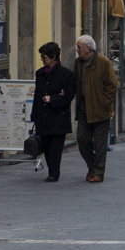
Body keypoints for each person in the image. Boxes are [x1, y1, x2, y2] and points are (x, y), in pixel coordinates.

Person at [74, 35, 119, 183]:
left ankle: (98, 173)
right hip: (84, 107)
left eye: (79, 47)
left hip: (100, 109)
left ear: (88, 48)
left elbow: (112, 85)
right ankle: (92, 166)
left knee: (100, 144)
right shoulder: (78, 63)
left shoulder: (103, 62)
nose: (77, 50)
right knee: (82, 139)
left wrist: (104, 102)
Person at [30, 42, 76, 182]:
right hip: (43, 117)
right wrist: (34, 116)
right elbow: (37, 97)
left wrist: (53, 99)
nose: (42, 60)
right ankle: (52, 170)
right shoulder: (40, 74)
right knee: (46, 146)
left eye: (44, 57)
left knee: (56, 148)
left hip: (58, 117)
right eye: (41, 57)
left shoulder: (66, 74)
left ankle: (54, 173)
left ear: (53, 57)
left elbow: (68, 95)